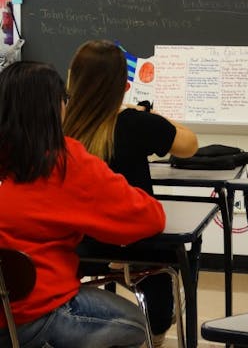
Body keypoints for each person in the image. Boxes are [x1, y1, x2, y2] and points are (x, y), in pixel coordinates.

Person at [0, 61, 166, 348]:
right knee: (137, 324)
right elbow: (150, 218)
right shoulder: (63, 162)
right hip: (35, 318)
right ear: (55, 109)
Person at [63, 39, 199, 347]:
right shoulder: (135, 123)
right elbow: (189, 145)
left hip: (78, 247)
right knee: (172, 258)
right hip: (137, 244)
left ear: (73, 80)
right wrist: (150, 116)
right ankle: (157, 331)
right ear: (123, 86)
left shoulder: (61, 128)